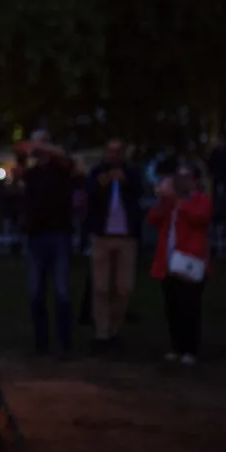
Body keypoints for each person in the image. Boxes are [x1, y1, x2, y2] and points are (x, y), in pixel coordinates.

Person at [14, 130, 74, 357]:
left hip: (59, 235)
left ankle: (64, 344)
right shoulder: (32, 174)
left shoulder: (62, 169)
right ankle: (42, 343)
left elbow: (65, 158)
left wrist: (38, 145)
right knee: (36, 293)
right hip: (35, 236)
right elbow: (18, 184)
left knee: (61, 292)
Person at [148, 165, 212, 366]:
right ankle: (177, 346)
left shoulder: (201, 200)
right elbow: (154, 219)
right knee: (172, 306)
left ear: (194, 180)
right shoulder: (170, 203)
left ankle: (190, 349)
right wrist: (163, 200)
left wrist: (179, 203)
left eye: (185, 177)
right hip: (168, 262)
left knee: (189, 307)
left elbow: (200, 217)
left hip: (191, 262)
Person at [86, 138, 142, 349]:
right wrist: (104, 182)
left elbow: (140, 193)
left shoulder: (132, 173)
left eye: (118, 151)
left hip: (126, 237)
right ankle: (102, 332)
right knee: (101, 287)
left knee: (123, 287)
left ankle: (115, 329)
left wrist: (125, 181)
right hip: (102, 236)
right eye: (111, 151)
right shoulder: (97, 172)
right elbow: (89, 194)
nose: (114, 155)